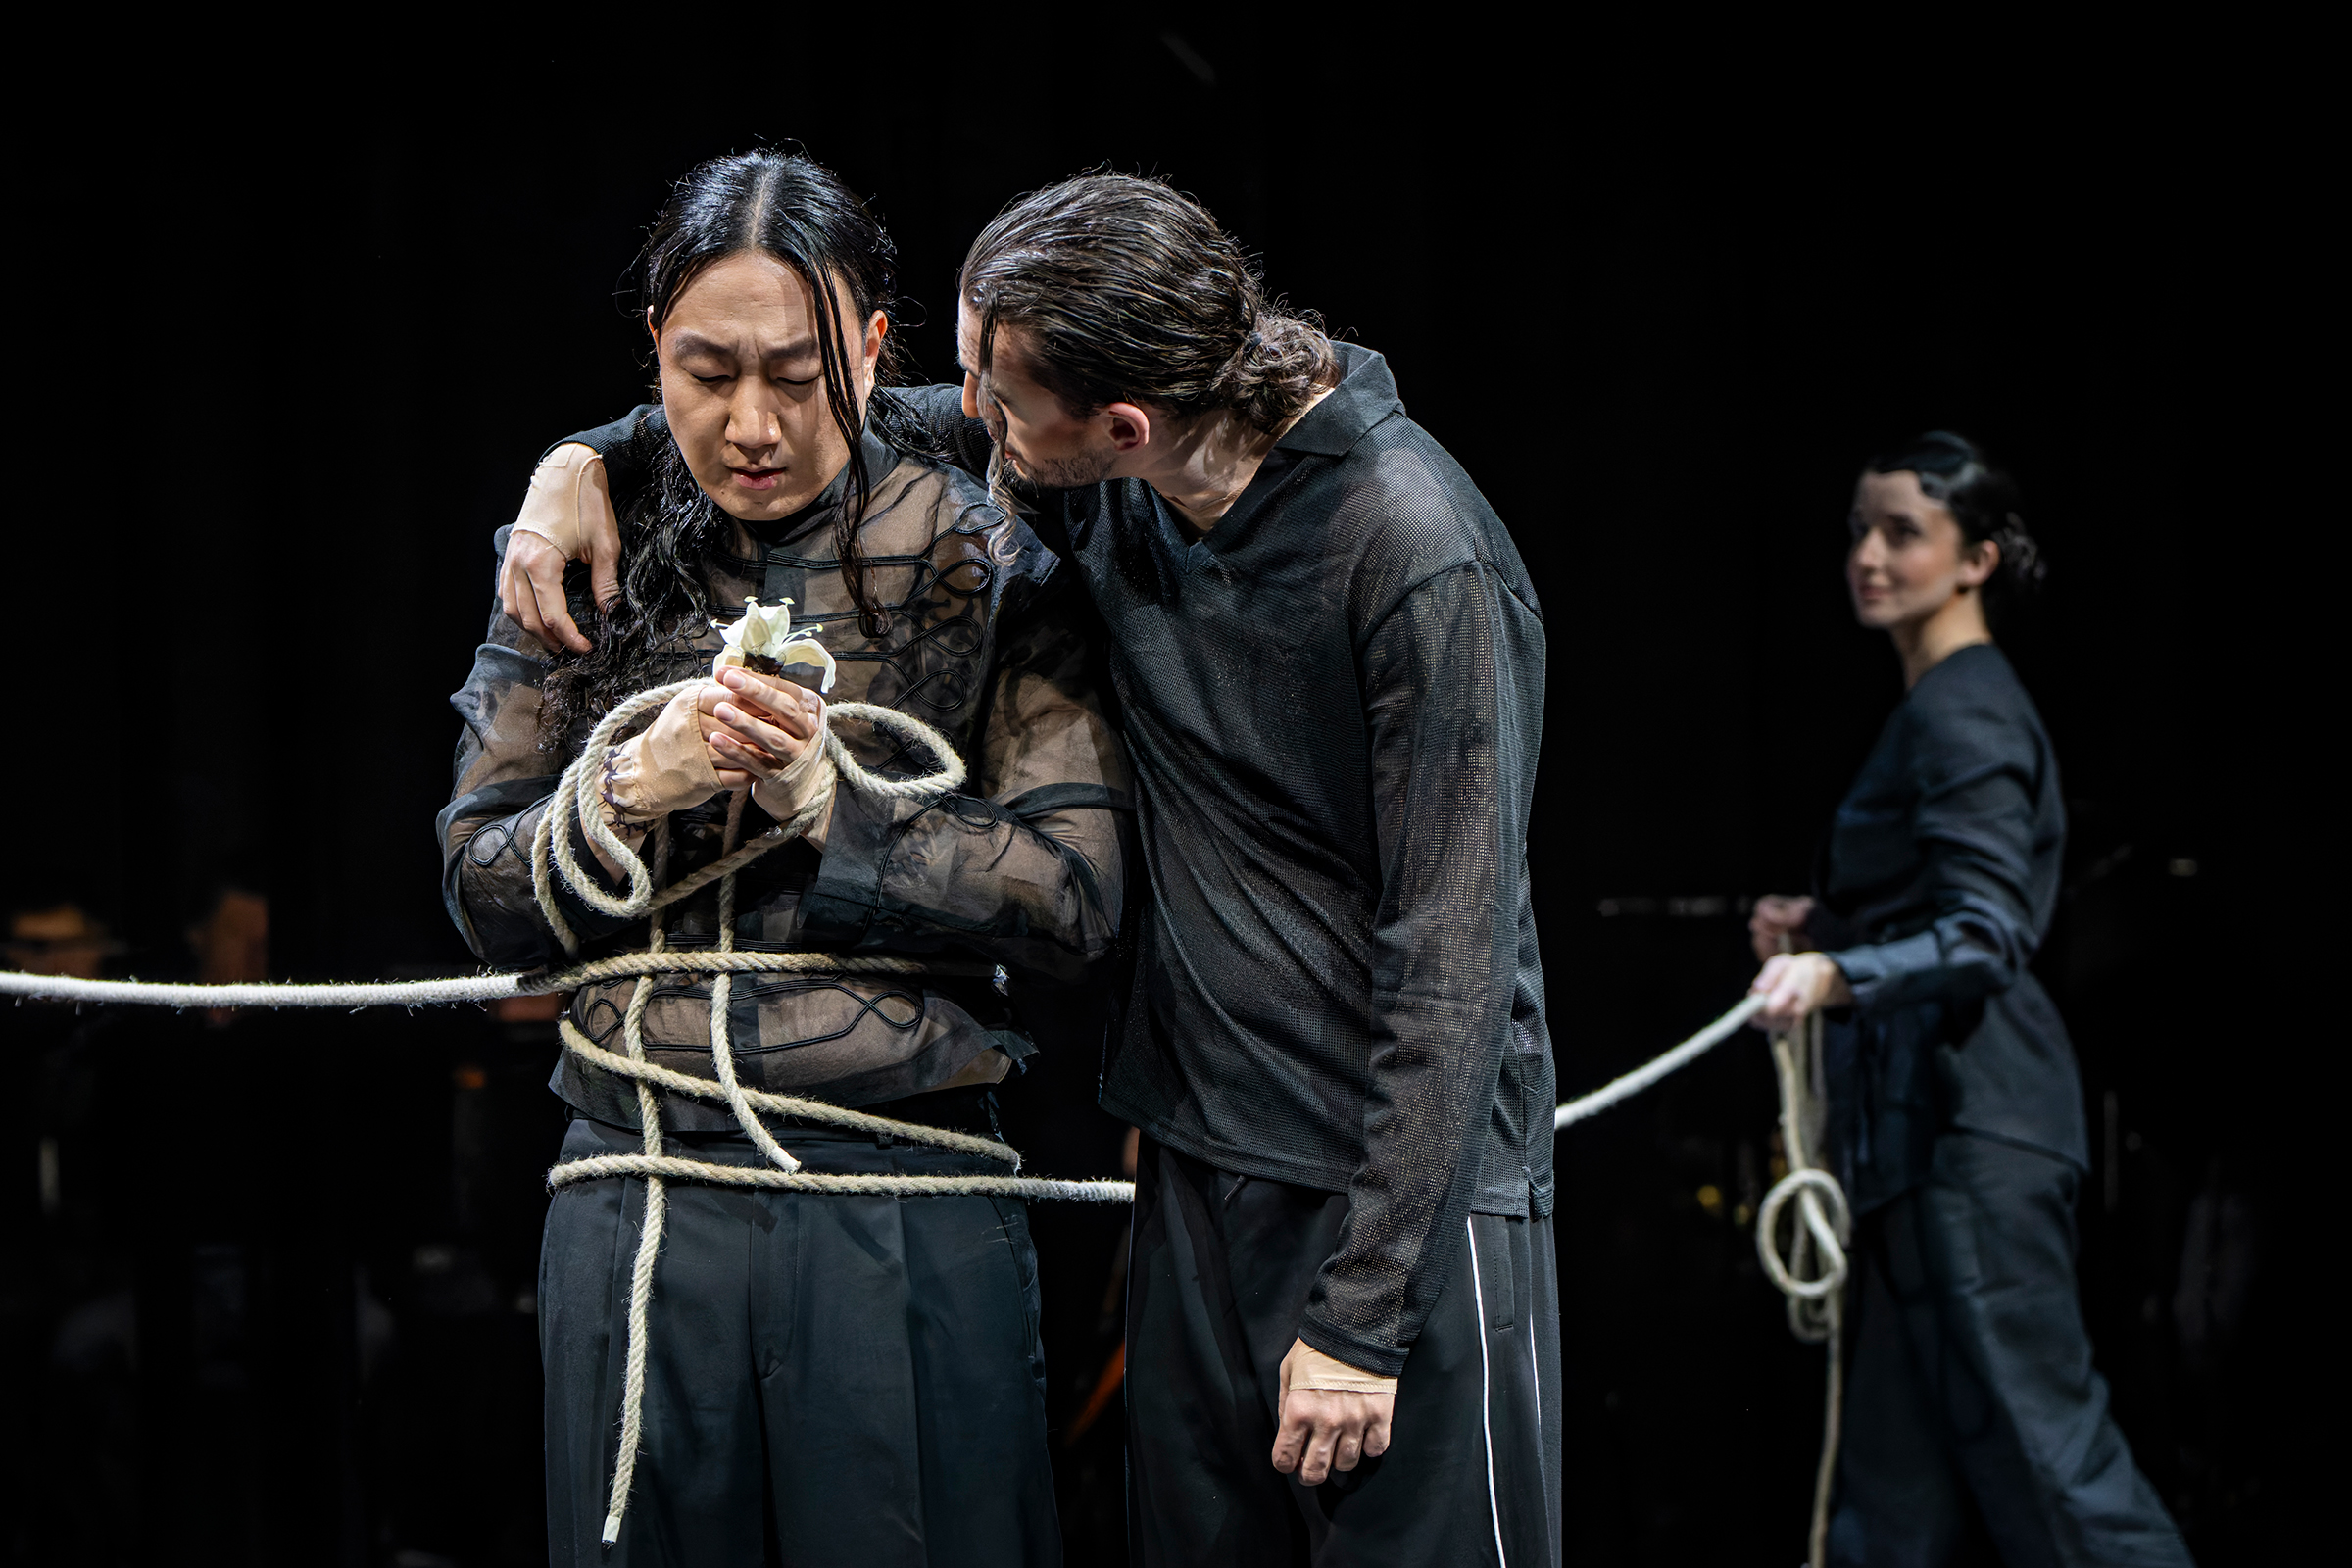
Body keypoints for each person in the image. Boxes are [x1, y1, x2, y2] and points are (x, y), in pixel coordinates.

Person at [505, 172, 1558, 1567]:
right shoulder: (1116, 470)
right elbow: (821, 409)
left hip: (1391, 1195)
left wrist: (1367, 1314)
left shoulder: (1415, 551)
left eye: (995, 405)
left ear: (1118, 427)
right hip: (1200, 1161)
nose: (962, 423)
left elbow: (1453, 957)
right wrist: (579, 463)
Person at [442, 151, 1129, 1568]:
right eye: (706, 375)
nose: (751, 426)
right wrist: (625, 790)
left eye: (799, 376)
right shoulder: (578, 557)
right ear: (655, 353)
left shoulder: (985, 552)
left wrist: (832, 803)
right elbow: (480, 891)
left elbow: (1077, 898)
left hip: (898, 1198)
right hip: (637, 1200)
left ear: (872, 351)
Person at [1745, 433, 2191, 1567]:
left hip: (1973, 1135)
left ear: (1978, 558)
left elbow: (1988, 929)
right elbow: (1937, 902)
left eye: (1904, 532)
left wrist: (1838, 973)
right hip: (1915, 1145)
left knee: (2054, 1466)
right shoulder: (1940, 706)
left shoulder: (1967, 707)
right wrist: (1828, 926)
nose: (1869, 555)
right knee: (1890, 1502)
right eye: (1860, 529)